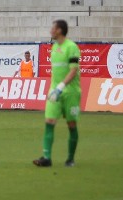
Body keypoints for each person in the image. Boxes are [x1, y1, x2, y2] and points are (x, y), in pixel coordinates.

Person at [33, 19, 80, 168]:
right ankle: (46, 157)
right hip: (55, 92)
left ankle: (70, 159)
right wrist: (55, 88)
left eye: (53, 28)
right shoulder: (54, 47)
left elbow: (73, 70)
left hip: (70, 92)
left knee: (71, 124)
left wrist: (61, 87)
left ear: (59, 30)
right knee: (49, 122)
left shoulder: (71, 47)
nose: (50, 31)